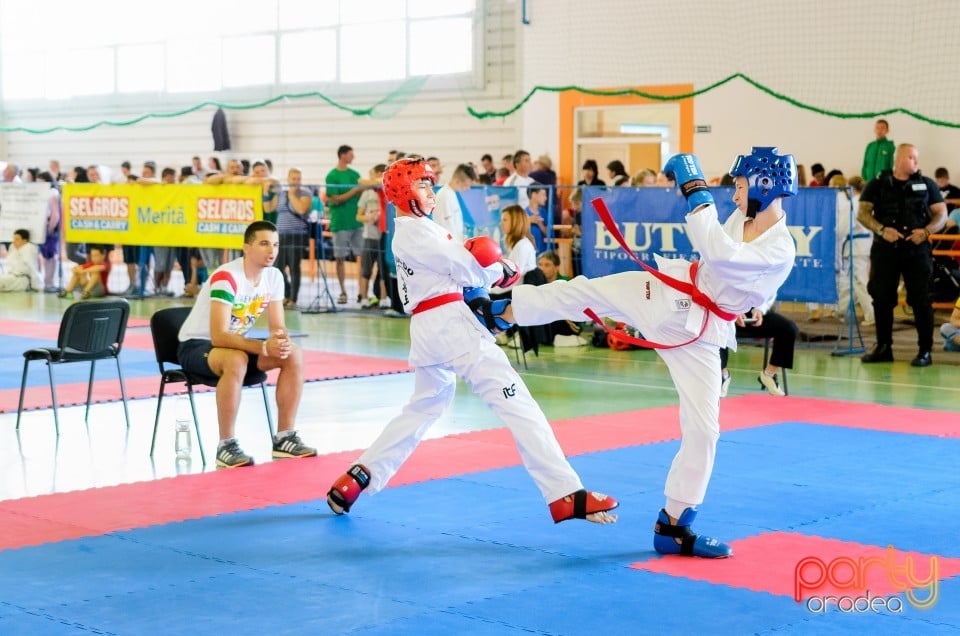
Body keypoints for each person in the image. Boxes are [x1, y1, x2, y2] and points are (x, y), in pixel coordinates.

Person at [501, 147, 799, 558]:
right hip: (668, 295)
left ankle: (673, 526)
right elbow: (722, 260)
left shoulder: (780, 247)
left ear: (766, 188)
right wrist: (754, 302)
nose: (734, 196)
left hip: (700, 335)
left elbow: (722, 253)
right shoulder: (741, 218)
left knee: (704, 431)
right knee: (588, 291)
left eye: (741, 187)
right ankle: (504, 309)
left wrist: (695, 188)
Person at [325, 158, 619, 525]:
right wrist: (503, 269)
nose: (431, 191)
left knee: (424, 406)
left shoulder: (415, 231)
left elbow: (466, 266)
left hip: (431, 328)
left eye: (431, 184)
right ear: (403, 192)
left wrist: (494, 269)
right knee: (519, 405)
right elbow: (468, 267)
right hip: (451, 327)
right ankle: (564, 493)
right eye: (423, 185)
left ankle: (358, 477)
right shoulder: (418, 232)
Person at [177, 221, 316, 468]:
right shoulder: (227, 277)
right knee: (236, 360)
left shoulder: (273, 276)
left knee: (293, 354)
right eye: (263, 244)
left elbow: (277, 326)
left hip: (235, 346)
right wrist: (263, 347)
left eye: (275, 244)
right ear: (246, 248)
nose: (271, 250)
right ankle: (226, 445)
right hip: (197, 346)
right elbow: (219, 336)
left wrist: (280, 341)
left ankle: (285, 438)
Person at [858, 144, 947, 366]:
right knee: (882, 298)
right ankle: (883, 347)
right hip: (885, 249)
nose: (916, 161)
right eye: (911, 157)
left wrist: (926, 231)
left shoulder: (927, 185)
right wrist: (880, 229)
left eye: (917, 157)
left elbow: (941, 214)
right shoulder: (878, 184)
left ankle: (925, 351)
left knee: (922, 300)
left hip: (917, 250)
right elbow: (863, 213)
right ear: (898, 159)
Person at [719, 308, 799, 397]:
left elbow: (768, 295)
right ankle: (722, 375)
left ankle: (769, 374)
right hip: (726, 314)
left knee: (789, 329)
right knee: (717, 327)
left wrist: (760, 309)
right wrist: (734, 310)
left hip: (756, 316)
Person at [325, 145, 365, 304]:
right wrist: (354, 191)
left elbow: (361, 192)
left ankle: (362, 292)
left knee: (362, 257)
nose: (353, 157)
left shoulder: (355, 174)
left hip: (357, 222)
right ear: (342, 155)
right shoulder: (332, 176)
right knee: (340, 258)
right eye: (350, 154)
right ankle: (343, 291)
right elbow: (335, 199)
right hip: (340, 223)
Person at [835, 176, 874, 326]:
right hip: (866, 243)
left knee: (859, 280)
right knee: (853, 280)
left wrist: (834, 232)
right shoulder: (868, 203)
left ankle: (871, 313)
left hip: (856, 245)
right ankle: (841, 309)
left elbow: (842, 228)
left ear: (850, 188)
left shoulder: (853, 204)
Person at [536, 250, 587, 347]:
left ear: (556, 267)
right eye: (540, 265)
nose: (542, 268)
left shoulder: (566, 282)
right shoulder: (538, 284)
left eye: (547, 265)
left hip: (568, 322)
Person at [357, 164, 387, 309]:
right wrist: (369, 218)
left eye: (373, 174)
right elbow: (359, 216)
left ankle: (383, 298)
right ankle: (363, 297)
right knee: (366, 269)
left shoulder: (387, 190)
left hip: (384, 236)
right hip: (369, 236)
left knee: (383, 270)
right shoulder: (368, 193)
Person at [433, 163, 477, 243]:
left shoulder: (451, 193)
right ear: (457, 181)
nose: (468, 189)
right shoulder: (445, 196)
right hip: (448, 246)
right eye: (466, 185)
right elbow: (447, 228)